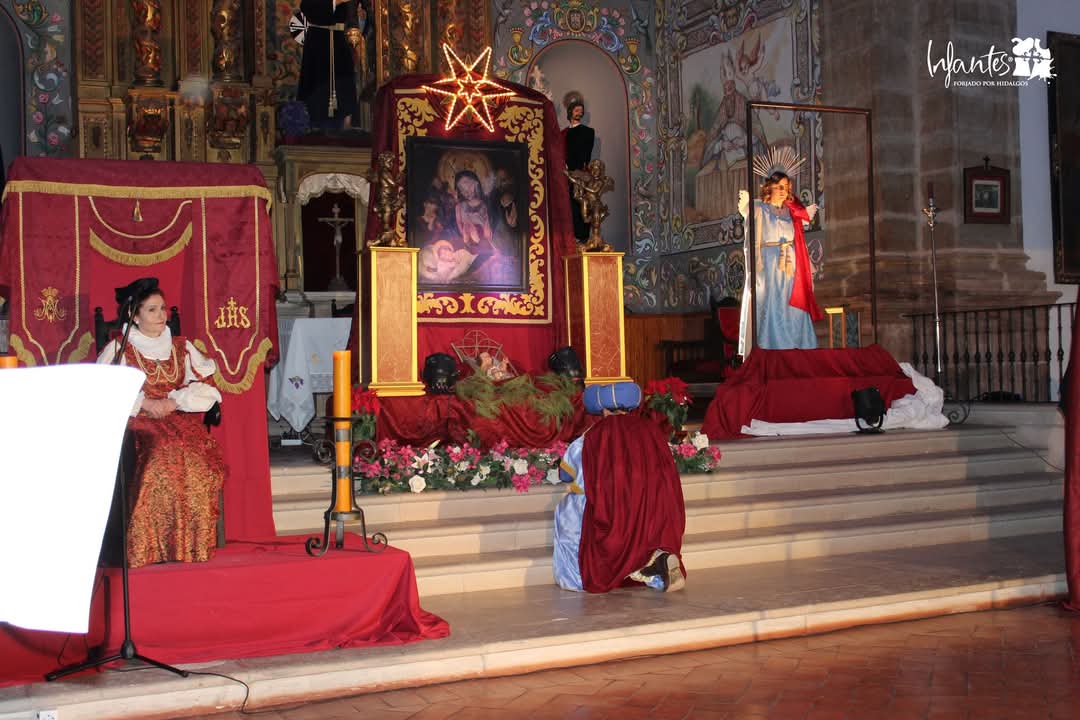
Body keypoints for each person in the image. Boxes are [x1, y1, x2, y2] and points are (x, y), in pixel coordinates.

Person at [96, 278, 226, 569]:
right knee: (159, 451)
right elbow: (105, 389)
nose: (161, 315)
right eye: (152, 310)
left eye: (163, 308)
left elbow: (205, 385)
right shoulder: (120, 349)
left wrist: (175, 401)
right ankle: (149, 545)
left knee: (195, 453)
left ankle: (189, 543)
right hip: (137, 418)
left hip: (174, 415)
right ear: (135, 316)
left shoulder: (181, 346)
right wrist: (144, 404)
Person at [553, 382, 687, 593]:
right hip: (654, 510)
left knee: (568, 509)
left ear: (604, 410)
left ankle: (575, 578)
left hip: (616, 512)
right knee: (643, 523)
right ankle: (656, 562)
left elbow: (567, 474)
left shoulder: (592, 435)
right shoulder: (651, 429)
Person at [737, 170, 823, 352]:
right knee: (773, 303)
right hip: (769, 264)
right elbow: (752, 237)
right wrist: (756, 267)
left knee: (793, 303)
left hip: (790, 264)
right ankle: (771, 345)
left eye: (786, 187)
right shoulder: (760, 209)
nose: (783, 191)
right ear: (770, 188)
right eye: (779, 187)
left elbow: (798, 234)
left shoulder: (791, 211)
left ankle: (799, 344)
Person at [297, 0, 364, 130]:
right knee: (318, 84)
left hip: (340, 42)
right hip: (318, 43)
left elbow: (354, 19)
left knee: (344, 82)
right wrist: (335, 2)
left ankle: (346, 122)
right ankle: (316, 123)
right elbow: (307, 7)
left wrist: (361, 19)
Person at [563, 91, 595, 242]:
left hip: (581, 174)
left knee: (583, 204)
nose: (579, 113)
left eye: (581, 111)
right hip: (566, 175)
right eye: (576, 110)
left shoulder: (588, 132)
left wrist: (581, 172)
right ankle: (571, 237)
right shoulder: (563, 134)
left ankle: (583, 237)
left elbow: (586, 155)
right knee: (569, 206)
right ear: (570, 112)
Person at [453, 170, 494, 253]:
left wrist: (483, 240)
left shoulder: (485, 204)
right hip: (470, 244)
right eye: (461, 189)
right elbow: (460, 227)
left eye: (469, 185)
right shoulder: (459, 207)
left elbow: (488, 227)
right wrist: (468, 234)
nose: (466, 192)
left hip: (485, 244)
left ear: (476, 183)